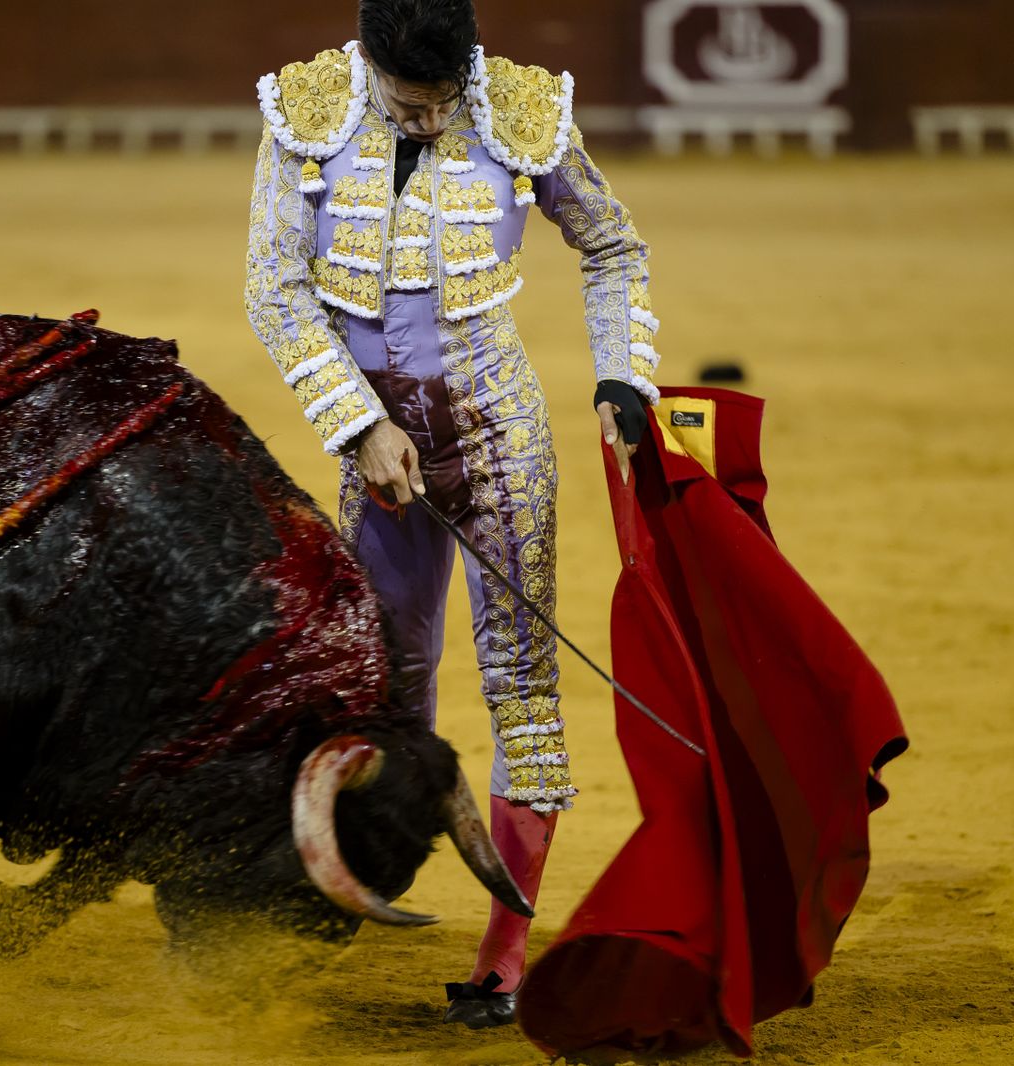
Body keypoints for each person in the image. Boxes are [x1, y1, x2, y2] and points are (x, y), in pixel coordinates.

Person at [244, 0, 661, 1029]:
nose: (427, 122)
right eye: (404, 103)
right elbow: (272, 289)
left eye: (441, 103)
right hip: (376, 457)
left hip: (497, 443)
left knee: (523, 689)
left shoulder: (520, 108)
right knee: (382, 681)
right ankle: (365, 881)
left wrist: (625, 375)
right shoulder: (306, 109)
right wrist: (357, 426)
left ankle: (503, 957)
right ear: (368, 62)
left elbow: (613, 247)